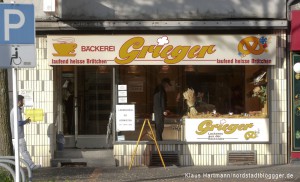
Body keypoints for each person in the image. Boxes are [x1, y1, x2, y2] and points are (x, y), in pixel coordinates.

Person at [10, 95, 41, 170]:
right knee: (24, 152)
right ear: (19, 101)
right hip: (19, 136)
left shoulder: (13, 110)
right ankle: (31, 166)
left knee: (14, 153)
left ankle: (12, 168)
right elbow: (18, 123)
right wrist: (26, 121)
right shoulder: (17, 110)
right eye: (23, 101)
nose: (23, 102)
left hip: (14, 136)